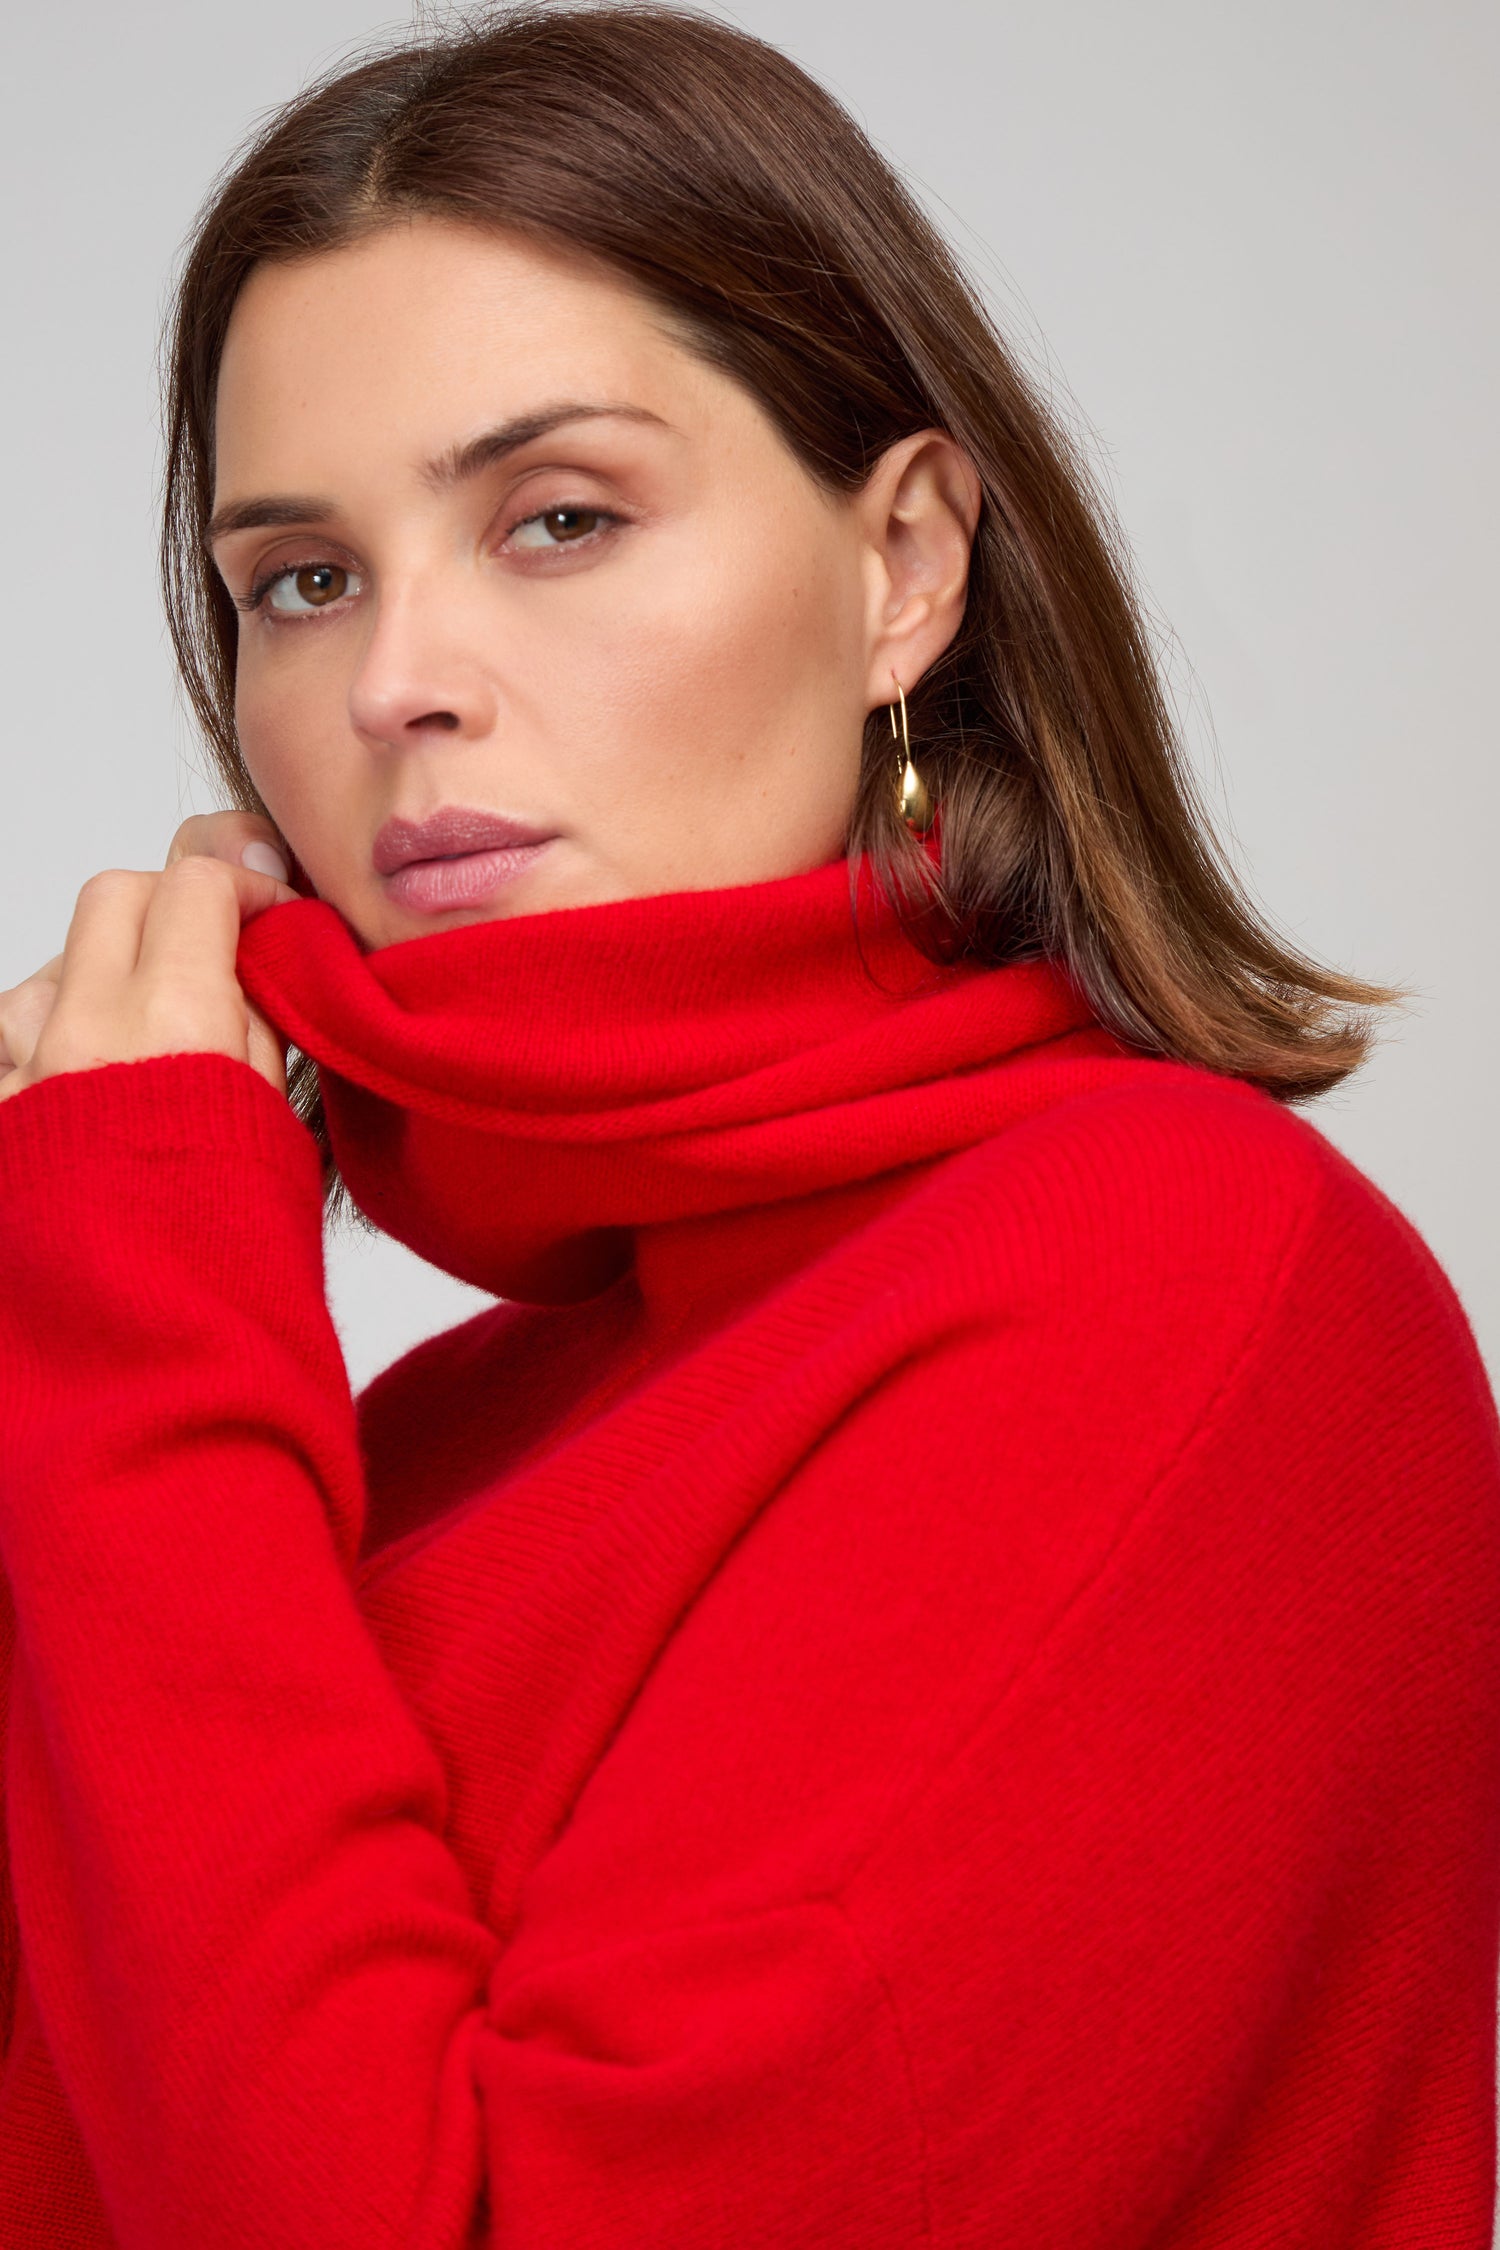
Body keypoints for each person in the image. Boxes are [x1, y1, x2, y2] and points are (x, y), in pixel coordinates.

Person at [0, 4, 1496, 2243]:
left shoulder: (1175, 1283)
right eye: (298, 578)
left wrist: (131, 1341)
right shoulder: (430, 1433)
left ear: (901, 566)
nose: (397, 675)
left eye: (562, 517)